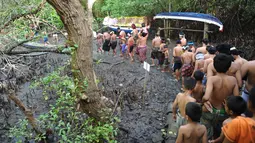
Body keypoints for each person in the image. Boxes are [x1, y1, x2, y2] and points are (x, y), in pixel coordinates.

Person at [201, 53, 239, 140]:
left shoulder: (212, 79)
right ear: (229, 67)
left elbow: (206, 97)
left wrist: (203, 102)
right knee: (220, 131)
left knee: (207, 129)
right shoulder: (233, 80)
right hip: (224, 111)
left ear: (214, 65)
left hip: (210, 109)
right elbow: (236, 97)